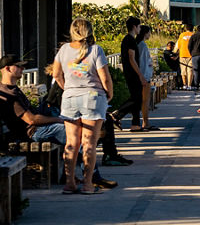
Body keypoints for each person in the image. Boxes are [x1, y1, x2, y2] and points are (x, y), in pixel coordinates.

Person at [0, 55, 123, 187]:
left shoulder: (13, 90)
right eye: (19, 66)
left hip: (36, 128)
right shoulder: (8, 94)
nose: (23, 69)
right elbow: (31, 119)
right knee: (78, 136)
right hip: (32, 132)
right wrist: (59, 120)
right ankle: (93, 178)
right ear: (7, 68)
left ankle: (70, 176)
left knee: (77, 132)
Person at [52, 18, 113, 194]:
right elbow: (105, 77)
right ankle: (87, 184)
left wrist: (68, 88)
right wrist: (109, 93)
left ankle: (69, 183)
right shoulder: (96, 50)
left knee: (71, 143)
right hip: (92, 98)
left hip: (70, 98)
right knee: (89, 144)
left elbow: (56, 74)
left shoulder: (63, 50)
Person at [117, 16, 146, 131]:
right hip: (132, 73)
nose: (140, 29)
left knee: (137, 98)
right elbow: (131, 58)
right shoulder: (129, 40)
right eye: (139, 26)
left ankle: (135, 124)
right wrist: (140, 75)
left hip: (131, 72)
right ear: (134, 27)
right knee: (135, 97)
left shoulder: (129, 39)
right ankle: (117, 114)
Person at [137, 24, 156, 130]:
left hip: (144, 76)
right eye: (149, 32)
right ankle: (146, 121)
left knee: (144, 100)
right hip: (144, 77)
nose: (150, 35)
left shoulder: (140, 44)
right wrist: (144, 77)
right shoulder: (142, 46)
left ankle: (145, 121)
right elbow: (143, 63)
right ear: (145, 33)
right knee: (145, 100)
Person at [177, 23, 193, 89]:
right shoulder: (193, 35)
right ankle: (189, 85)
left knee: (183, 71)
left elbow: (178, 45)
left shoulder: (182, 35)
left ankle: (184, 84)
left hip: (182, 54)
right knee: (190, 71)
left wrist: (175, 52)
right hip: (191, 55)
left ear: (186, 28)